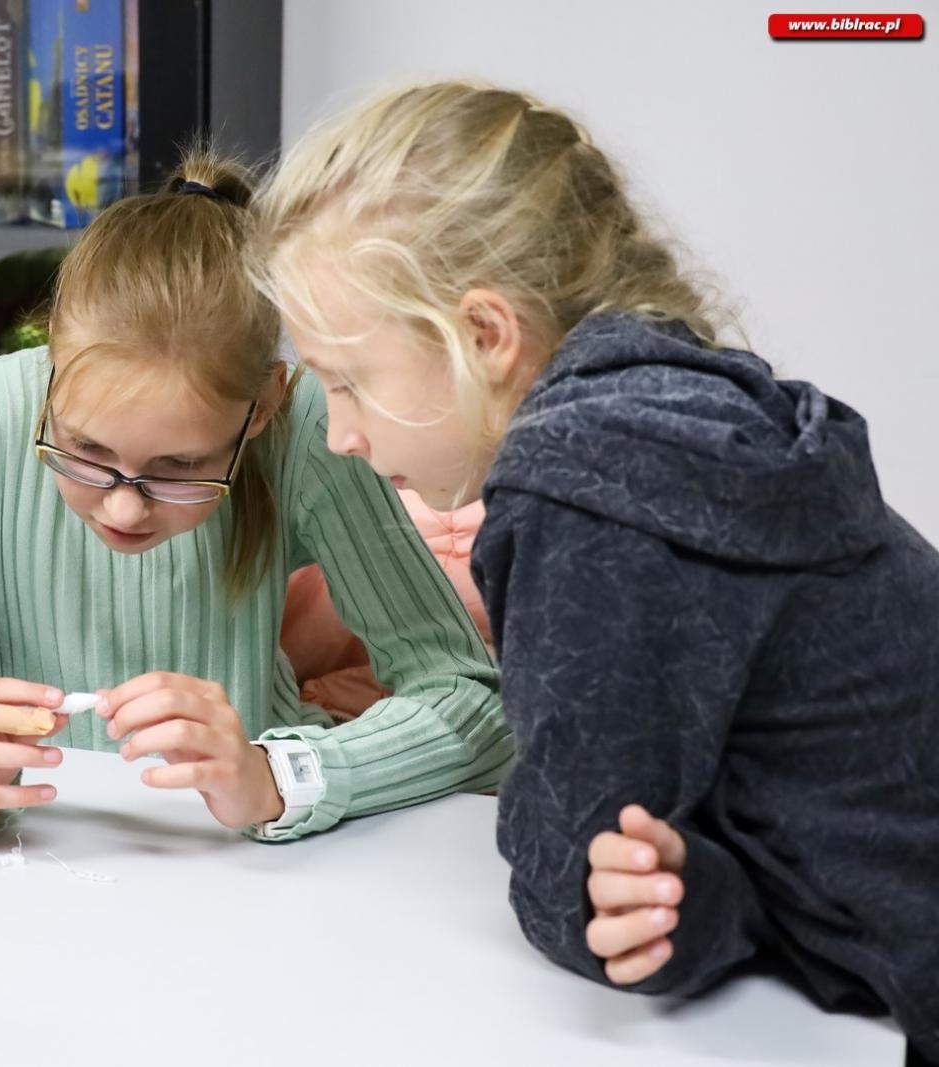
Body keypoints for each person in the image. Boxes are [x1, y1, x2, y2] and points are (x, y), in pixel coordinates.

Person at [251, 80, 939, 1056]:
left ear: (484, 337)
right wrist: (691, 889)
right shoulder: (683, 403)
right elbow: (734, 823)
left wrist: (597, 878)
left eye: (347, 380)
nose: (341, 434)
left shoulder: (580, 492)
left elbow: (565, 865)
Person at [0, 151, 511, 847]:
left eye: (180, 467)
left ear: (263, 407)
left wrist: (281, 776)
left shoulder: (307, 429)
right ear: (51, 364)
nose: (124, 509)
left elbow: (472, 702)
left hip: (252, 865)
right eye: (86, 452)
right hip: (41, 850)